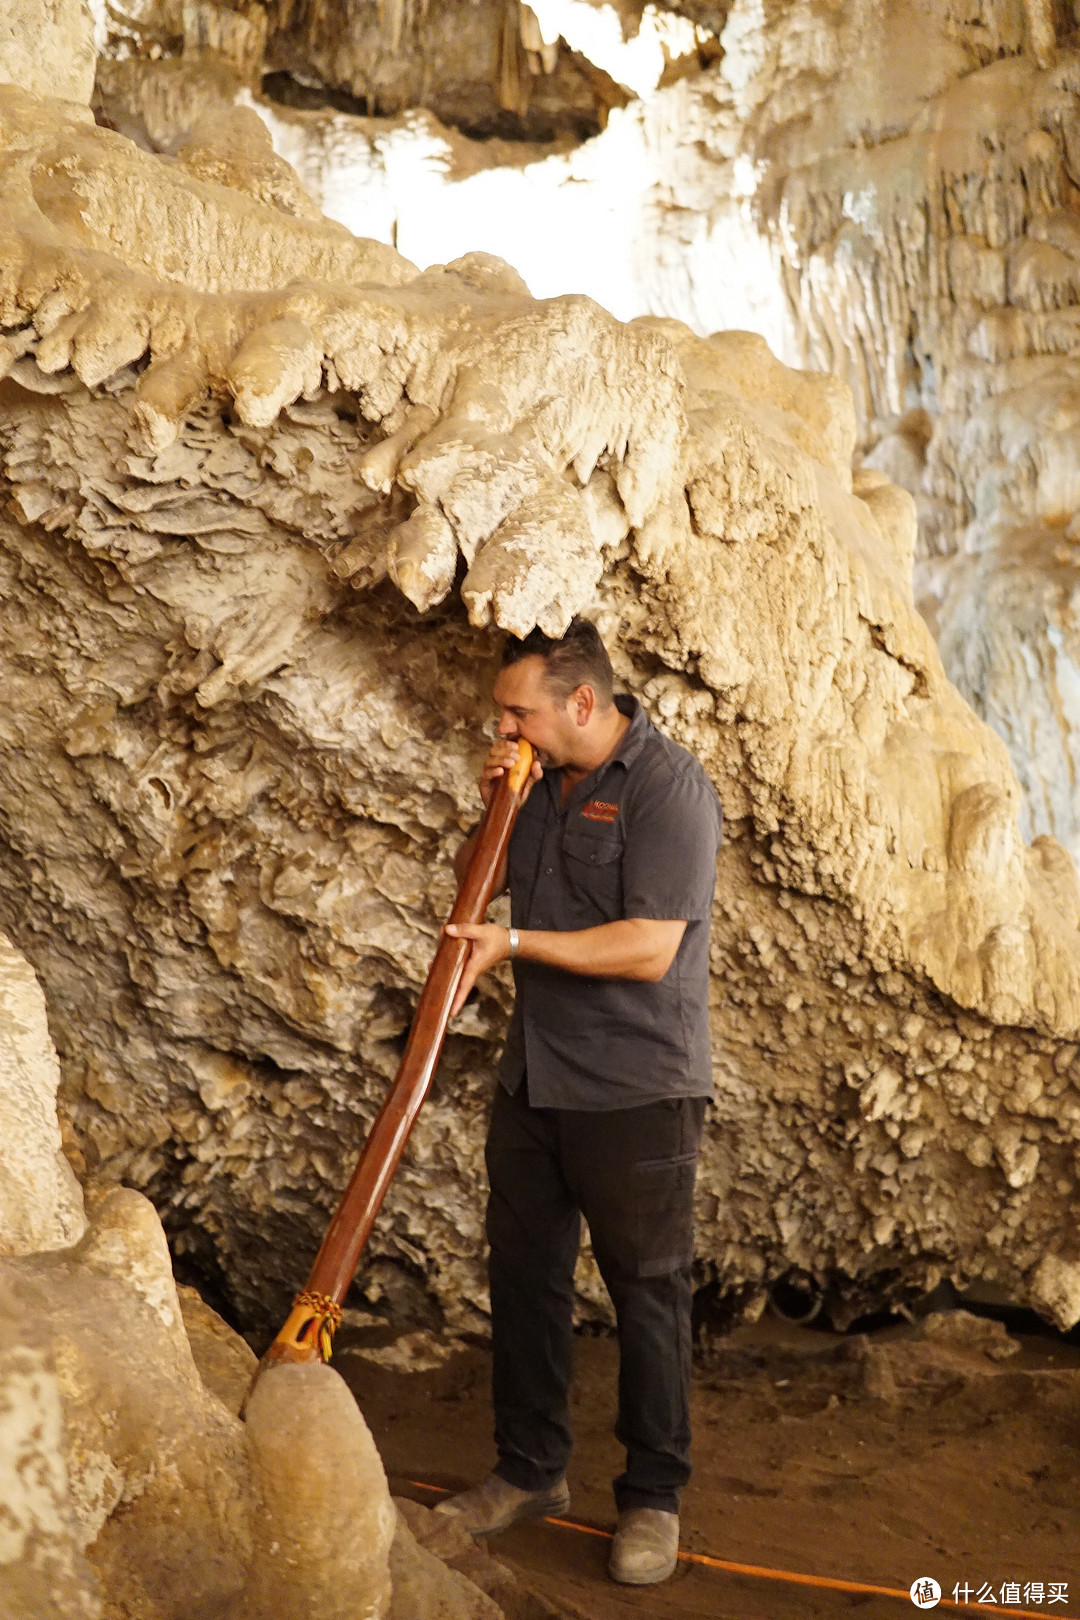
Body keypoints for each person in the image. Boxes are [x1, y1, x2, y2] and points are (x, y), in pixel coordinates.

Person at [435, 617, 723, 1587]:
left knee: (647, 1296)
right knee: (524, 1280)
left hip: (638, 1091)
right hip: (536, 1080)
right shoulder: (532, 786)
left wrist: (511, 947)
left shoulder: (670, 789)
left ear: (584, 703)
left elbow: (651, 949)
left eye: (520, 710)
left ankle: (652, 1497)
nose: (506, 726)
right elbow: (478, 897)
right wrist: (492, 815)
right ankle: (529, 1472)